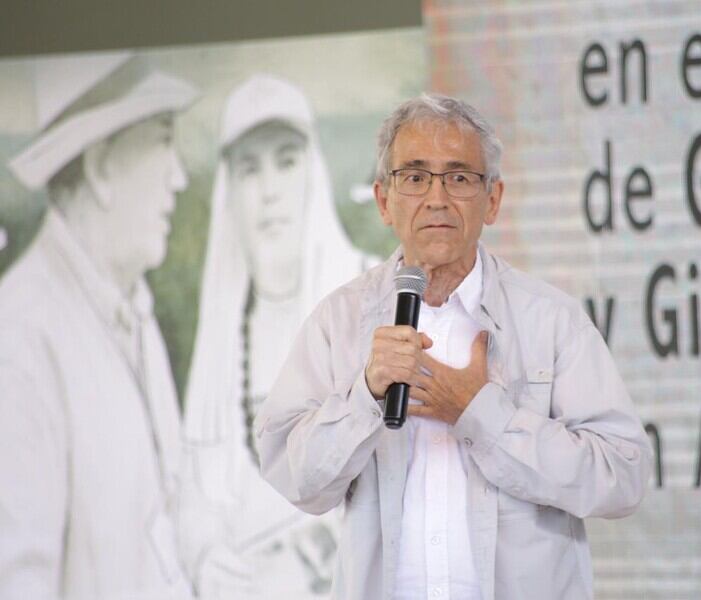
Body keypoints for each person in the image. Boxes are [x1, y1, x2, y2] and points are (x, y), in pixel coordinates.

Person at [254, 93, 653, 599]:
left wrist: (481, 413)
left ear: (492, 200)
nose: (437, 198)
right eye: (415, 177)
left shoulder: (552, 320)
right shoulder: (339, 320)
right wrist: (365, 396)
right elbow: (297, 481)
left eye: (460, 177)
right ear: (383, 200)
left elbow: (623, 476)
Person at [0, 52, 197, 598]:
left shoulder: (131, 308)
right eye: (163, 140)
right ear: (101, 167)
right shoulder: (18, 339)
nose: (179, 177)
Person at [180, 75, 370, 598]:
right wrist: (204, 554)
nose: (269, 192)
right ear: (230, 193)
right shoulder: (223, 329)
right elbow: (195, 487)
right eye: (249, 169)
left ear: (312, 173)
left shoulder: (379, 301)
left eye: (285, 162)